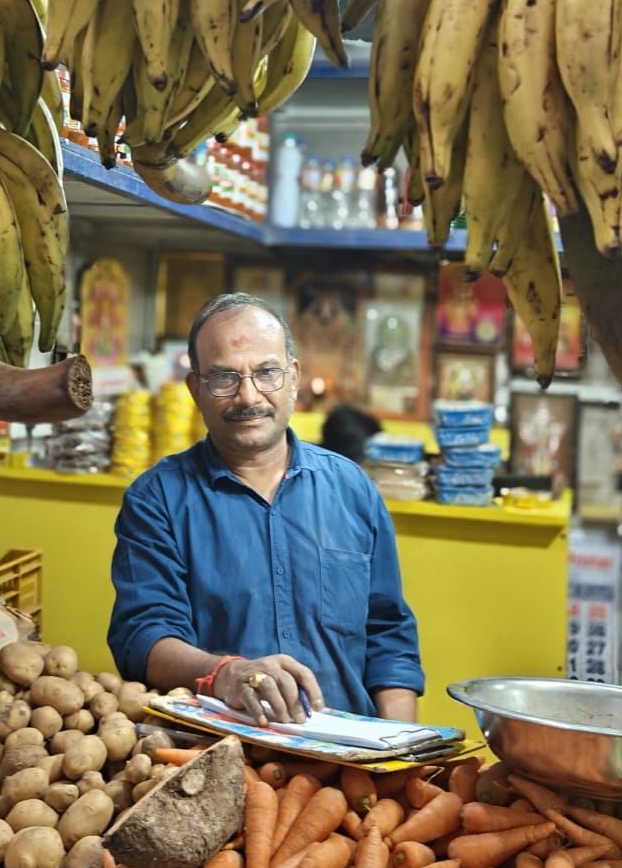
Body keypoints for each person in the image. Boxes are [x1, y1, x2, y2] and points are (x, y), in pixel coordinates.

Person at [108, 292, 424, 726]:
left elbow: (389, 634)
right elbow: (142, 638)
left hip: (351, 761)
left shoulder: (352, 489)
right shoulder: (157, 500)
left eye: (266, 372)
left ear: (293, 378)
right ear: (195, 389)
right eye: (223, 378)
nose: (247, 396)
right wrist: (226, 673)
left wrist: (398, 747)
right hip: (216, 753)